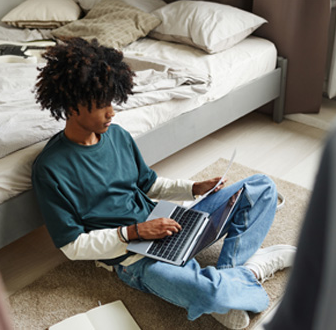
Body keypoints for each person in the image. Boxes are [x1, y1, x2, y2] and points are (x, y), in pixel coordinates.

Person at [31, 37, 296, 330]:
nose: (112, 112)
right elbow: (72, 246)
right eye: (101, 104)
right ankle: (246, 276)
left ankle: (228, 280)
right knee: (208, 291)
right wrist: (135, 231)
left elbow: (149, 184)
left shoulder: (118, 136)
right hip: (133, 259)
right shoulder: (50, 169)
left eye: (111, 101)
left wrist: (193, 188)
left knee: (261, 186)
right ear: (72, 105)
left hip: (169, 222)